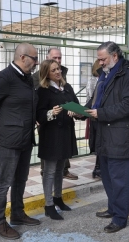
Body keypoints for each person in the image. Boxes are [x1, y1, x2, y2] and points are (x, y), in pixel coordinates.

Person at [0, 43, 40, 240]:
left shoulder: (27, 79)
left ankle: (18, 214)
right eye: (34, 59)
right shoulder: (4, 78)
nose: (36, 63)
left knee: (20, 180)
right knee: (3, 184)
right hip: (7, 142)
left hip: (25, 140)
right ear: (22, 57)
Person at [85, 41, 129, 233]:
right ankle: (112, 208)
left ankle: (120, 218)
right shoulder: (104, 75)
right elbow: (95, 100)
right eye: (99, 59)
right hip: (104, 134)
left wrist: (101, 113)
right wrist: (82, 110)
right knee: (108, 177)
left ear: (115, 56)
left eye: (103, 59)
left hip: (120, 137)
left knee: (120, 180)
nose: (100, 63)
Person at [36, 59, 79, 220]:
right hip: (51, 135)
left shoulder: (67, 87)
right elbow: (38, 114)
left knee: (61, 169)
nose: (58, 72)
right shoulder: (42, 90)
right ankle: (48, 205)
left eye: (59, 69)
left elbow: (77, 106)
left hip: (66, 133)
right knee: (49, 171)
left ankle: (58, 198)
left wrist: (76, 112)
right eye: (54, 70)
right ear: (46, 73)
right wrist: (50, 113)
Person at [33, 48, 78, 180]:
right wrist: (49, 113)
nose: (58, 63)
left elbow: (71, 100)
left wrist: (75, 110)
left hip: (65, 124)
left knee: (60, 160)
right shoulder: (38, 81)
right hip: (49, 124)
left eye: (59, 59)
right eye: (54, 58)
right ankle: (46, 176)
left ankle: (63, 172)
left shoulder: (65, 82)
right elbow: (38, 105)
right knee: (50, 163)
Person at [85, 59, 103, 179]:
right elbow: (91, 98)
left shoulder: (106, 79)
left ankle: (98, 168)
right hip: (93, 113)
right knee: (97, 141)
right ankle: (98, 168)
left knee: (101, 142)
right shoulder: (93, 80)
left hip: (102, 114)